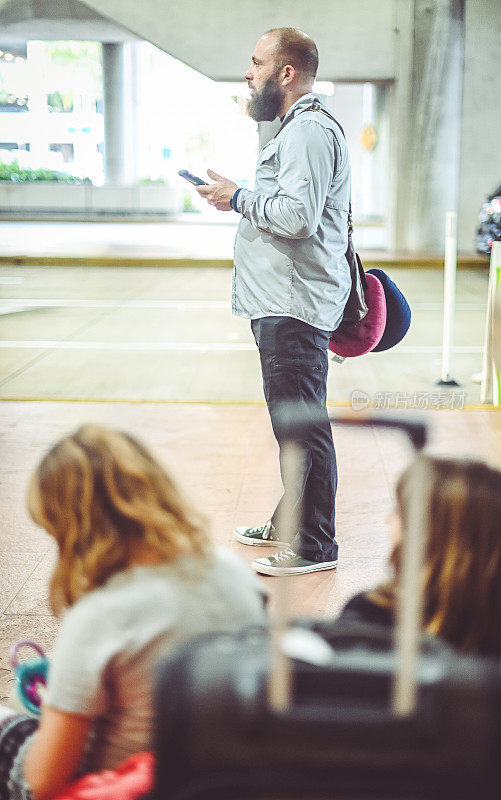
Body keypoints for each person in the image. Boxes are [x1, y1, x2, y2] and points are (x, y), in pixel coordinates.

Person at [0, 425, 266, 800]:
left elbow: (43, 783)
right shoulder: (231, 568)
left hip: (128, 785)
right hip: (217, 774)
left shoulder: (101, 615)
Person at [197, 28, 351, 576]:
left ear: (286, 74)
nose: (248, 72)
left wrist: (236, 197)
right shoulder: (296, 130)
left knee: (302, 425)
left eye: (256, 62)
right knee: (293, 423)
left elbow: (297, 218)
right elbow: (289, 202)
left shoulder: (307, 132)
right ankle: (294, 519)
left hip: (293, 305)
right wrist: (240, 192)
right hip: (283, 302)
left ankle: (314, 546)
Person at [337, 455, 501, 657]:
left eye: (399, 511)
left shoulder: (370, 615)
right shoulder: (489, 630)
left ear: (426, 536)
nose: (388, 519)